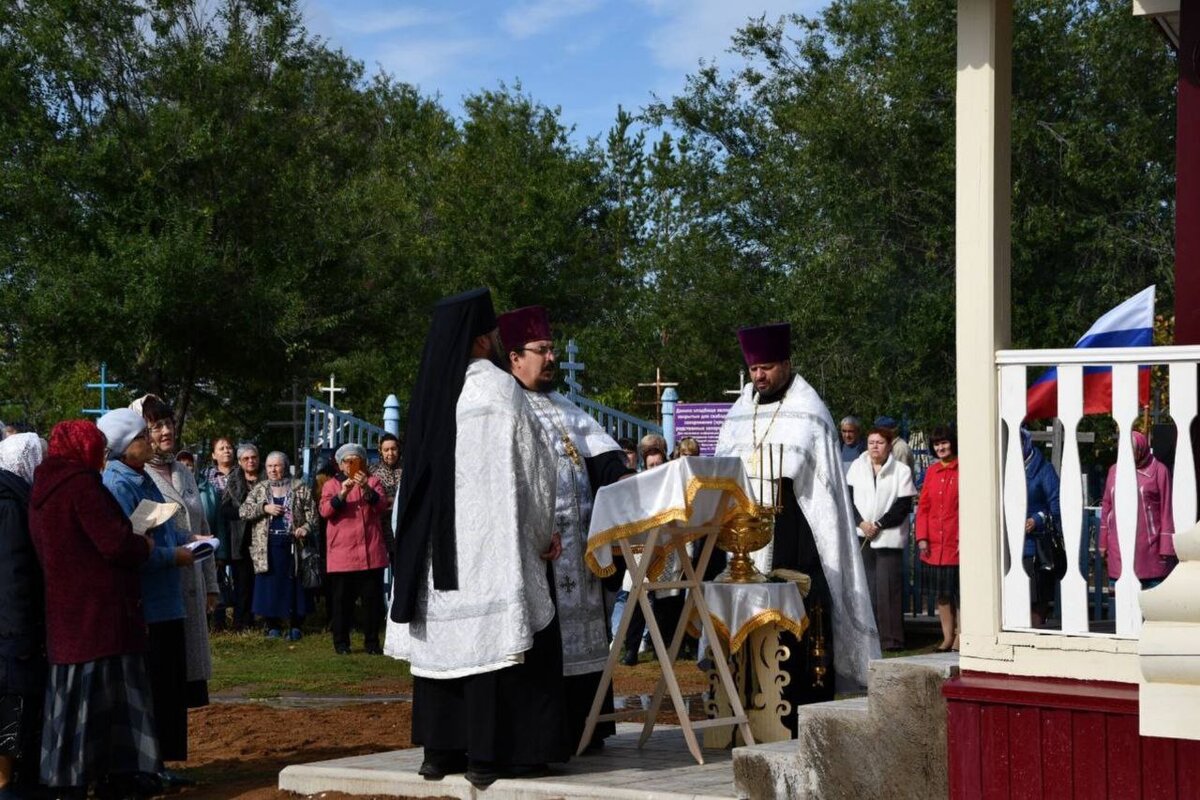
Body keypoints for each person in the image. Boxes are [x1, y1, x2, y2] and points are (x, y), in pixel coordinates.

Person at [386, 288, 568, 788]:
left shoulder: (429, 396)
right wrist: (538, 536)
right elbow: (533, 471)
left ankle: (439, 752)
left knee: (445, 645)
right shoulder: (500, 392)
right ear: (484, 340)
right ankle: (491, 755)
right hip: (490, 549)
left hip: (434, 559)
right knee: (495, 642)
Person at [715, 323, 879, 728]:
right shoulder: (739, 413)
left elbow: (822, 498)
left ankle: (795, 715)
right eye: (753, 369)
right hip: (742, 539)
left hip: (795, 536)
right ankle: (746, 711)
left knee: (798, 628)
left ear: (786, 364)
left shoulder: (811, 412)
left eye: (767, 367)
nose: (759, 376)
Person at [498, 305, 633, 752]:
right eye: (542, 351)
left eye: (552, 350)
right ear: (516, 357)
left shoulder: (565, 408)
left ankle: (587, 728)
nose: (551, 358)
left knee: (588, 635)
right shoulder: (506, 407)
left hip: (581, 553)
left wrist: (621, 476)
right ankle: (550, 734)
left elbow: (604, 457)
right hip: (542, 552)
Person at [31, 421, 158, 800]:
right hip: (100, 617)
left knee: (70, 708)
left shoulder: (42, 490)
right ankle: (113, 776)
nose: (103, 458)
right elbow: (115, 543)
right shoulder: (82, 486)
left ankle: (70, 779)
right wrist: (144, 546)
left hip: (66, 616)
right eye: (99, 450)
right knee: (107, 707)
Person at [98, 408, 195, 786]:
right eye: (141, 437)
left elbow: (161, 524)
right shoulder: (117, 485)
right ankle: (145, 767)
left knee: (169, 688)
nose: (149, 441)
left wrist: (191, 541)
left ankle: (161, 765)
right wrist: (174, 556)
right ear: (124, 447)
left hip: (167, 599)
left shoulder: (145, 476)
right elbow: (130, 547)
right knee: (151, 688)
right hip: (146, 603)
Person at [132, 395, 219, 716]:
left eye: (168, 424)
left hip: (192, 582)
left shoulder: (183, 472)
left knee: (188, 679)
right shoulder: (140, 477)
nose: (166, 431)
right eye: (156, 427)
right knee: (166, 679)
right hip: (164, 586)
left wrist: (212, 585)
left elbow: (203, 525)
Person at [0, 434, 47, 797]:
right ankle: (7, 784)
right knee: (12, 703)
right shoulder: (11, 504)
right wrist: (21, 632)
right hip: (11, 629)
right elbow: (13, 572)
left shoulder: (12, 497)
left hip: (10, 625)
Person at [846, 427, 916, 652]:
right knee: (867, 588)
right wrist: (861, 523)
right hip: (863, 535)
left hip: (888, 537)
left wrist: (879, 524)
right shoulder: (857, 467)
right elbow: (848, 499)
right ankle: (868, 637)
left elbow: (903, 505)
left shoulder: (901, 470)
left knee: (888, 590)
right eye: (871, 442)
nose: (875, 446)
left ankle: (892, 640)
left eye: (879, 442)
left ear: (889, 446)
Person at [320, 443, 388, 655]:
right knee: (342, 603)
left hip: (370, 552)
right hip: (342, 554)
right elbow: (325, 511)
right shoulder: (330, 485)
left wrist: (366, 487)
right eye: (347, 461)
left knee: (372, 602)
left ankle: (372, 643)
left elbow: (381, 506)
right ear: (340, 465)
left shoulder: (374, 481)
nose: (352, 465)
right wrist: (341, 494)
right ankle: (341, 644)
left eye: (356, 460)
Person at [241, 452, 316, 640]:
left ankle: (296, 625)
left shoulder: (299, 487)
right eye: (269, 466)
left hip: (294, 544)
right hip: (267, 545)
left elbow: (313, 516)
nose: (273, 470)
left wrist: (305, 528)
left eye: (277, 465)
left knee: (295, 583)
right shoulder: (260, 489)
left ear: (286, 466)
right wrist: (264, 508)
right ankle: (272, 625)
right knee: (269, 585)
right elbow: (243, 511)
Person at [1099, 430, 1176, 590]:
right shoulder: (1114, 471)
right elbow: (1107, 506)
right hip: (1118, 547)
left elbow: (1167, 510)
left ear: (1140, 449)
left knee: (1150, 608)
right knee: (1122, 607)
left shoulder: (1159, 471)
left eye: (1130, 450)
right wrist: (1103, 542)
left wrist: (1166, 547)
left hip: (1150, 552)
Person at [915, 426, 959, 651]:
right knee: (942, 595)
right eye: (936, 445)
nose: (941, 448)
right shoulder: (931, 472)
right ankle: (947, 637)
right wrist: (922, 537)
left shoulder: (963, 469)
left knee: (960, 595)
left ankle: (961, 637)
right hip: (934, 546)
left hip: (956, 544)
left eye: (944, 443)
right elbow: (923, 507)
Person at [1020, 428, 1061, 626]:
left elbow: (1057, 503)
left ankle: (1035, 633)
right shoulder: (1003, 467)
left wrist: (1037, 519)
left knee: (1036, 597)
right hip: (1011, 545)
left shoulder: (1043, 470)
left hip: (1036, 546)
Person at [221, 444, 262, 631]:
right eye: (246, 458)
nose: (250, 461)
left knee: (261, 582)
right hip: (241, 539)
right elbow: (225, 510)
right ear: (239, 462)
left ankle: (263, 619)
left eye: (253, 457)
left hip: (263, 538)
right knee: (242, 583)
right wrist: (246, 512)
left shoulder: (267, 479)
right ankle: (241, 622)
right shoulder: (233, 482)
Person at [198, 437, 236, 631]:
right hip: (213, 530)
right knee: (215, 576)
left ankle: (237, 619)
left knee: (233, 578)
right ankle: (213, 620)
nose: (226, 451)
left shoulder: (240, 474)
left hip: (237, 530)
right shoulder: (206, 477)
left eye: (229, 447)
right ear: (213, 455)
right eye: (221, 448)